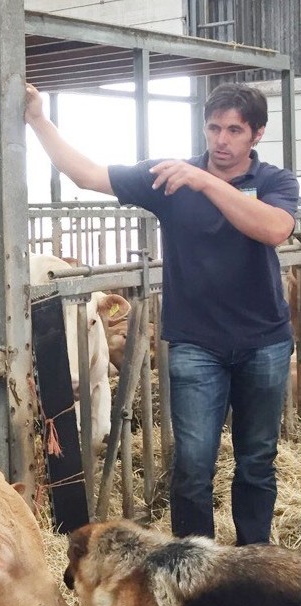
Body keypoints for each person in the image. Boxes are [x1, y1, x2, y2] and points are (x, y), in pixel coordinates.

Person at [24, 82, 300, 545]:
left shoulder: (275, 181)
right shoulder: (171, 177)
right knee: (192, 463)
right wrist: (38, 120)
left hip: (264, 343)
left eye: (234, 130)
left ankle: (254, 560)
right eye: (214, 128)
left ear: (257, 134)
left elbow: (273, 229)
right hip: (197, 344)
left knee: (256, 460)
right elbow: (88, 174)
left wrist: (206, 181)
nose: (221, 140)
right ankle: (194, 566)